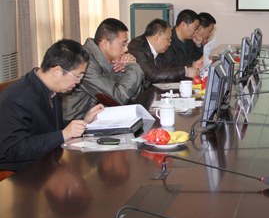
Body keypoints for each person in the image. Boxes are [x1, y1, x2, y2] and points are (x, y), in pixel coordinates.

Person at [0, 39, 104, 172]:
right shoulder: (17, 98)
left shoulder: (50, 87)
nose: (78, 82)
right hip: (21, 170)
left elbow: (49, 127)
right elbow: (13, 150)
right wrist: (63, 135)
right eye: (77, 76)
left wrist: (84, 121)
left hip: (47, 157)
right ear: (57, 71)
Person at [64, 18, 144, 121]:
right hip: (77, 122)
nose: (126, 49)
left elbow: (132, 96)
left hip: (102, 117)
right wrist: (133, 67)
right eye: (122, 44)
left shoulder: (111, 60)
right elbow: (118, 99)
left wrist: (125, 69)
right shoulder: (86, 63)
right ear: (105, 44)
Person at [128, 19, 201, 89]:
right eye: (168, 39)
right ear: (157, 37)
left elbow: (166, 67)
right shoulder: (138, 48)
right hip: (141, 95)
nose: (169, 44)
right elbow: (153, 75)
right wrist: (185, 72)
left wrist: (192, 65)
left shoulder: (157, 49)